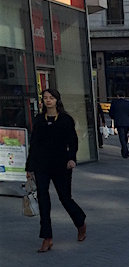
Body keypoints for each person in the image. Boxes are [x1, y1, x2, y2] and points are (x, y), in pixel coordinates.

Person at [25, 89, 87, 253]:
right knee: (44, 202)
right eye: (45, 98)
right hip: (42, 165)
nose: (48, 101)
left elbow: (73, 142)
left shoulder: (66, 120)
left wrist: (72, 158)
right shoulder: (39, 120)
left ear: (57, 100)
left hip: (61, 165)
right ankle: (47, 238)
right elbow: (34, 144)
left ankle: (80, 223)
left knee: (65, 199)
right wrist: (29, 167)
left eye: (51, 98)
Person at [109, 90, 129, 158]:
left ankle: (125, 151)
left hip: (118, 122)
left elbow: (111, 113)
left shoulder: (114, 103)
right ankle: (125, 148)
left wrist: (114, 118)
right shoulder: (128, 103)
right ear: (124, 96)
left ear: (118, 96)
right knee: (125, 135)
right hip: (127, 122)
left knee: (121, 137)